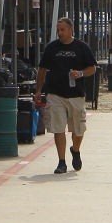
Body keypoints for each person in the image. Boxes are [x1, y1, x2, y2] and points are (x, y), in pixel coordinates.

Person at [33, 17, 97, 175]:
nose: (60, 33)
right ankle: (61, 162)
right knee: (58, 128)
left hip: (76, 95)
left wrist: (80, 73)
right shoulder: (52, 48)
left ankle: (75, 150)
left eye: (62, 30)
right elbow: (42, 69)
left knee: (78, 130)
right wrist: (38, 90)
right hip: (55, 94)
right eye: (58, 30)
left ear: (71, 30)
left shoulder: (82, 47)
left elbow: (92, 68)